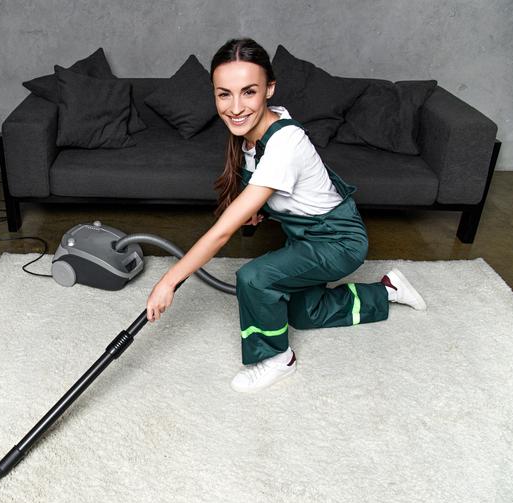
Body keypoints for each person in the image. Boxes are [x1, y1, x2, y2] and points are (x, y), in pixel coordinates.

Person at [145, 38, 426, 393]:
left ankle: (279, 360)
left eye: (248, 92)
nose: (235, 107)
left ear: (269, 89)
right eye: (224, 94)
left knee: (255, 278)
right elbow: (269, 190)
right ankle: (387, 291)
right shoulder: (248, 133)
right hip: (306, 238)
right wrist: (258, 210)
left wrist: (168, 281)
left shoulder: (285, 143)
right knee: (303, 314)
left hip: (338, 242)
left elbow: (221, 233)